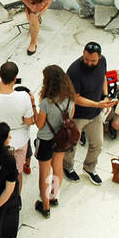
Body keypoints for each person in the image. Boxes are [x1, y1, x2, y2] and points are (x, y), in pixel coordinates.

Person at [64, 42, 117, 186]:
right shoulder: (74, 71)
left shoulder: (102, 61)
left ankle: (89, 167)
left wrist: (105, 96)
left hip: (95, 113)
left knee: (98, 144)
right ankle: (67, 167)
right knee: (71, 144)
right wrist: (98, 104)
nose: (89, 62)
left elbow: (103, 78)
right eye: (86, 59)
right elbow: (75, 97)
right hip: (78, 115)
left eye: (93, 60)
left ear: (99, 58)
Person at [33, 64, 74, 217]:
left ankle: (45, 206)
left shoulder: (46, 103)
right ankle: (54, 196)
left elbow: (39, 124)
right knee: (57, 169)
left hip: (46, 140)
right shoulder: (71, 99)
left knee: (44, 174)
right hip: (62, 139)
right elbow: (70, 118)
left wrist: (32, 105)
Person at [0, 61, 36, 176]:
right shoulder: (24, 97)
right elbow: (29, 121)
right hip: (20, 141)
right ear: (15, 79)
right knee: (17, 173)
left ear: (0, 76)